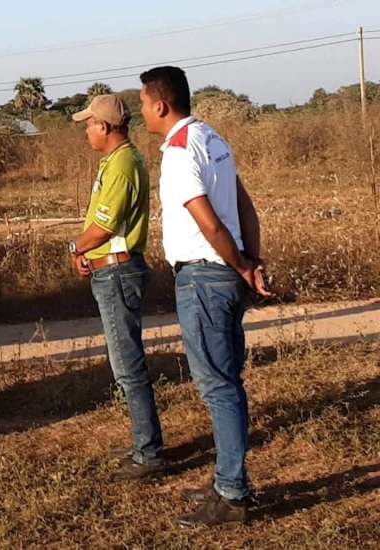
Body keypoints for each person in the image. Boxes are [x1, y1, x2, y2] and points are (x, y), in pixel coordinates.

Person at [139, 66, 270, 526]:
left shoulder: (178, 151)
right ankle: (226, 478)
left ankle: (232, 493)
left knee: (218, 386)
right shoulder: (212, 138)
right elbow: (244, 205)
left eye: (142, 103)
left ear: (160, 105)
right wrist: (250, 260)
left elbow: (208, 221)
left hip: (204, 278)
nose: (141, 112)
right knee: (228, 382)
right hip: (226, 275)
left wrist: (240, 264)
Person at [68, 95, 165, 479]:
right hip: (110, 269)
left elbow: (104, 227)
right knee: (125, 362)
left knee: (127, 365)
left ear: (104, 126)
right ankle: (144, 442)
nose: (86, 133)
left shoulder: (122, 165)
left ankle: (148, 453)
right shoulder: (117, 161)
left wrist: (76, 247)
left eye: (89, 125)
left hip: (117, 272)